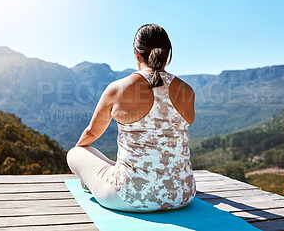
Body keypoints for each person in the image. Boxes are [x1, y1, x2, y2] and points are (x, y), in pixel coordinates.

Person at [66, 24, 196, 212]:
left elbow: (92, 132)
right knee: (118, 164)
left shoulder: (118, 88)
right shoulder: (188, 91)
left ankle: (89, 181)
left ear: (137, 54)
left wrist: (79, 161)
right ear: (167, 54)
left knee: (75, 153)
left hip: (128, 197)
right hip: (182, 195)